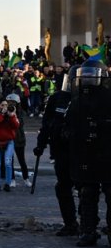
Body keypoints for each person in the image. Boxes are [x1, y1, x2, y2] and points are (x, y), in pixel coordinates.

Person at [63, 59, 111, 247]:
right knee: (87, 195)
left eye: (92, 75)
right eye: (86, 76)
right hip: (86, 154)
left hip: (107, 154)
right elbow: (68, 123)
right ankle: (88, 231)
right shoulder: (77, 100)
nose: (89, 79)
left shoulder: (108, 97)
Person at [34, 65, 80, 237]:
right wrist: (41, 144)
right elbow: (47, 124)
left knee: (87, 190)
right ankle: (71, 224)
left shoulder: (96, 98)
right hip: (61, 151)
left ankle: (88, 226)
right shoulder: (58, 98)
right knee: (63, 187)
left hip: (85, 152)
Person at [0, 99, 19, 191]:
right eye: (2, 105)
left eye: (6, 105)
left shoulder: (11, 114)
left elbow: (16, 125)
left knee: (8, 163)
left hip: (9, 141)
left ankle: (7, 184)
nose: (5, 107)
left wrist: (12, 116)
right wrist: (2, 114)